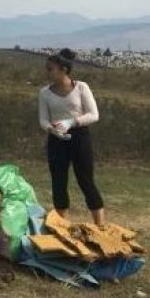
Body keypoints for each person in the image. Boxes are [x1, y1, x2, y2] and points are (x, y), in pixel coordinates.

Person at [39, 48, 105, 226]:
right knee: (59, 182)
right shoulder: (44, 93)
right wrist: (52, 130)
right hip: (57, 140)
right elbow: (43, 120)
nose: (47, 72)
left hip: (79, 137)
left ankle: (100, 226)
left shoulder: (81, 87)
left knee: (86, 180)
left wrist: (72, 122)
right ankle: (63, 226)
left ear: (64, 70)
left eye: (51, 69)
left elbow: (94, 114)